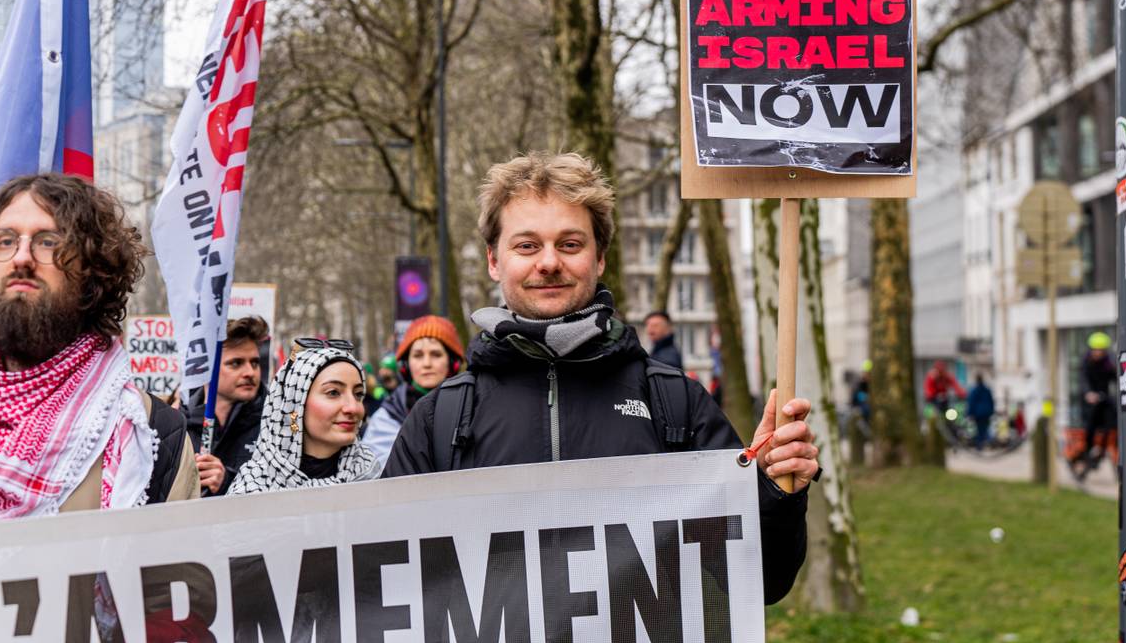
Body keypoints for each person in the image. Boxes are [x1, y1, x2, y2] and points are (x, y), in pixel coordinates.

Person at [384, 152, 818, 603]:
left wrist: (770, 488)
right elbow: (386, 586)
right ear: (495, 260)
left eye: (570, 244)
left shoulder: (675, 403)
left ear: (600, 257)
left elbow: (760, 580)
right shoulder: (440, 418)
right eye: (527, 245)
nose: (549, 262)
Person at [0, 173, 198, 523]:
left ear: (92, 274)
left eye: (48, 242)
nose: (21, 258)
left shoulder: (154, 433)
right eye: (5, 241)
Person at [229, 341, 383, 494]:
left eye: (358, 394)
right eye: (333, 392)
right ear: (295, 403)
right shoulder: (255, 487)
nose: (353, 407)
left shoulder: (372, 473)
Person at [183, 315, 269, 495]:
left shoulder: (276, 421)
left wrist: (227, 482)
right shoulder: (179, 423)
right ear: (207, 368)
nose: (250, 372)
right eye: (236, 363)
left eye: (254, 362)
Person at [361, 316, 465, 463]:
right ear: (405, 365)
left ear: (453, 362)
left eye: (436, 354)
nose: (427, 363)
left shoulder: (474, 407)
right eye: (418, 355)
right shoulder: (387, 417)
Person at [1075, 331, 1117, 479]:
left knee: (1112, 422)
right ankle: (1088, 452)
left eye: (1101, 350)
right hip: (1089, 402)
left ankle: (1101, 449)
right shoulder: (1086, 362)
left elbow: (1116, 377)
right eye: (1095, 349)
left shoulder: (1109, 363)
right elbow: (1082, 380)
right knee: (1090, 426)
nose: (1097, 353)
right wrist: (1088, 393)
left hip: (1103, 398)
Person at [967, 373, 995, 449]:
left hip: (978, 413)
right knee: (984, 428)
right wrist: (991, 411)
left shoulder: (974, 390)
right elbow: (991, 401)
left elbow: (971, 402)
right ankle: (985, 442)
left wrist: (969, 413)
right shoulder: (987, 390)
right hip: (986, 413)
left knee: (979, 429)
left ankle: (980, 444)